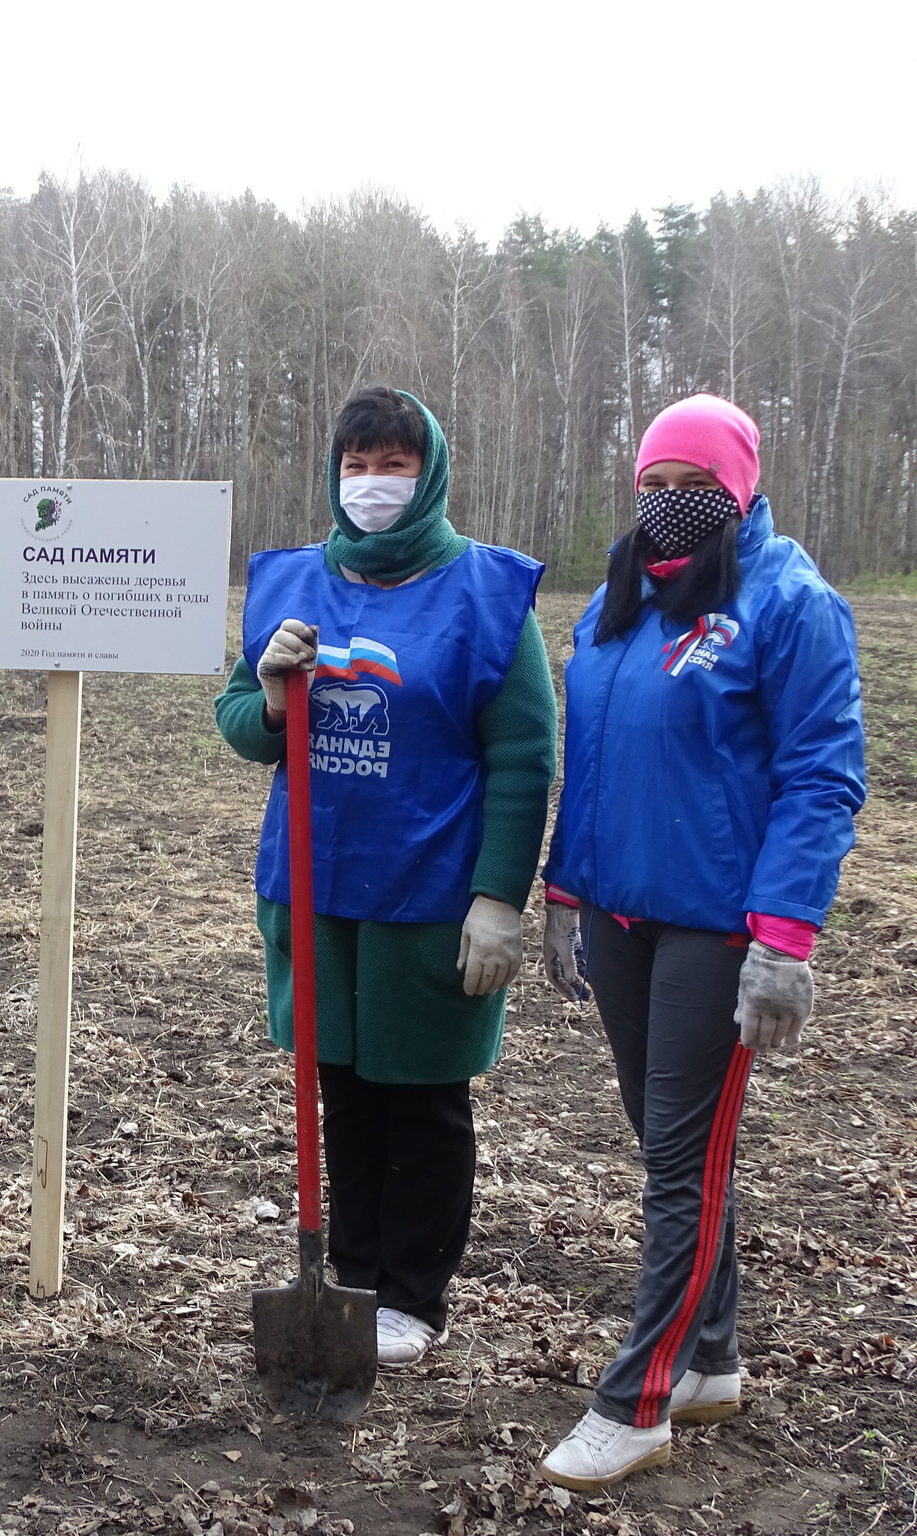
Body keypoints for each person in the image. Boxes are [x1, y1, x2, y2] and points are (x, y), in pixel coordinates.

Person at [535, 394, 866, 1490]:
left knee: (680, 1161)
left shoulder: (788, 602)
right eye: (654, 483)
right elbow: (588, 758)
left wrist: (784, 939)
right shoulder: (620, 602)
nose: (670, 503)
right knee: (671, 1146)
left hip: (720, 927)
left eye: (694, 485)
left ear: (737, 487)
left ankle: (634, 1400)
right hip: (622, 913)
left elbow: (821, 778)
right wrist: (564, 890)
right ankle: (710, 1356)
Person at [215, 386, 557, 1368]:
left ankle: (413, 1291)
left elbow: (523, 754)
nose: (371, 484)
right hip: (316, 889)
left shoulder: (486, 596)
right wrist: (274, 693)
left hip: (429, 895)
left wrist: (498, 896)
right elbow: (240, 728)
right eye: (356, 464)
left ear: (429, 473)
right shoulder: (289, 583)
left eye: (392, 464)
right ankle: (350, 1273)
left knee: (423, 1096)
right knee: (342, 1090)